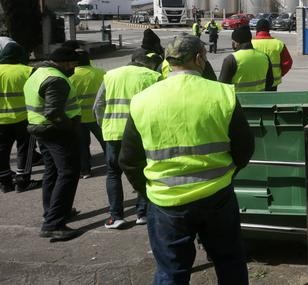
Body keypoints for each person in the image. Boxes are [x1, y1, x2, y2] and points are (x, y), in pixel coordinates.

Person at [119, 34, 254, 284]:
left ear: (169, 61)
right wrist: (226, 173)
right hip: (217, 197)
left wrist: (148, 191)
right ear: (200, 58)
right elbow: (245, 148)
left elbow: (128, 159)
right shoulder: (222, 94)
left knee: (171, 271)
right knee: (229, 262)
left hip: (166, 201)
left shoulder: (142, 101)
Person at [94, 49, 161, 229]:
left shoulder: (111, 75)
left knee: (114, 173)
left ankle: (116, 216)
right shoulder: (153, 76)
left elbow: (98, 105)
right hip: (141, 132)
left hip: (114, 133)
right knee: (143, 170)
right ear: (146, 63)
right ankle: (143, 213)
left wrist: (104, 124)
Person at [24, 46, 82, 241]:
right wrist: (70, 128)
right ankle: (53, 224)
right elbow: (53, 112)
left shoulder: (38, 72)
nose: (74, 67)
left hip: (40, 128)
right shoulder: (56, 80)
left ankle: (52, 212)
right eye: (73, 63)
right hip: (56, 132)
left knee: (52, 171)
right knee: (68, 173)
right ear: (64, 63)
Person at [0, 41, 41, 192]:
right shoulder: (28, 71)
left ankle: (5, 182)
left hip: (1, 120)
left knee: (2, 150)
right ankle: (22, 180)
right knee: (25, 149)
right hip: (24, 117)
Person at [68, 47, 106, 179]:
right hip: (97, 115)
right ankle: (113, 165)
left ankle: (85, 171)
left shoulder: (70, 76)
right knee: (106, 142)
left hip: (78, 117)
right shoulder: (101, 73)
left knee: (82, 145)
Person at [218, 26, 274, 92]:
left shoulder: (231, 59)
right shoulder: (265, 57)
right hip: (259, 100)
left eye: (233, 41)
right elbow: (270, 82)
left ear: (237, 43)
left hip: (238, 100)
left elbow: (222, 86)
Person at [252, 18, 293, 91]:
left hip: (255, 81)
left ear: (257, 30)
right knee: (271, 101)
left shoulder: (251, 44)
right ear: (268, 29)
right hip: (273, 82)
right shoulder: (278, 44)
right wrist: (279, 74)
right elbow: (287, 62)